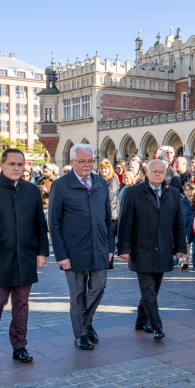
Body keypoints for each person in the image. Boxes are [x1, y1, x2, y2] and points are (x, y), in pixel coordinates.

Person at [0, 148, 49, 363]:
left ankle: (19, 346)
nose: (17, 168)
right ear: (2, 165)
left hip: (25, 257)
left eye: (20, 164)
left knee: (21, 303)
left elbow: (39, 226)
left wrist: (43, 251)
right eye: (12, 164)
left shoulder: (32, 190)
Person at [48, 143, 115, 350]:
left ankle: (85, 323)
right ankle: (81, 334)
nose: (87, 165)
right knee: (77, 295)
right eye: (82, 161)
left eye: (90, 161)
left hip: (100, 246)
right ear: (72, 162)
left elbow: (107, 218)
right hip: (73, 250)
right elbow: (54, 223)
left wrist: (110, 247)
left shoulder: (101, 183)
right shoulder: (61, 185)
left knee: (99, 287)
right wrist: (61, 254)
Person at [117, 158, 186, 340]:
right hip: (142, 249)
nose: (157, 174)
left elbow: (179, 223)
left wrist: (180, 246)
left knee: (153, 289)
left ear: (166, 174)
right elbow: (125, 222)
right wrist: (124, 248)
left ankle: (141, 320)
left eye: (161, 172)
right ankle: (156, 325)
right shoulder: (132, 192)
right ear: (146, 173)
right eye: (153, 171)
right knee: (148, 289)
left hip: (163, 248)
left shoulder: (173, 193)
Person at [98, 159, 121, 269]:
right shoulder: (98, 179)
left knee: (109, 236)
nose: (103, 170)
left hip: (110, 213)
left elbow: (110, 196)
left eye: (106, 168)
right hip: (100, 212)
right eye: (102, 168)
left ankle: (109, 260)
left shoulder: (113, 180)